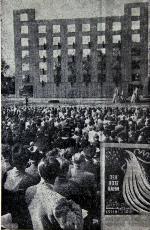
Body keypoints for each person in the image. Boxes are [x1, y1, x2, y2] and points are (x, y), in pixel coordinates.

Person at [26, 157, 84, 230]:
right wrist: (75, 206)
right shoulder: (58, 200)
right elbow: (76, 226)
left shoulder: (29, 191)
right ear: (57, 173)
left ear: (39, 172)